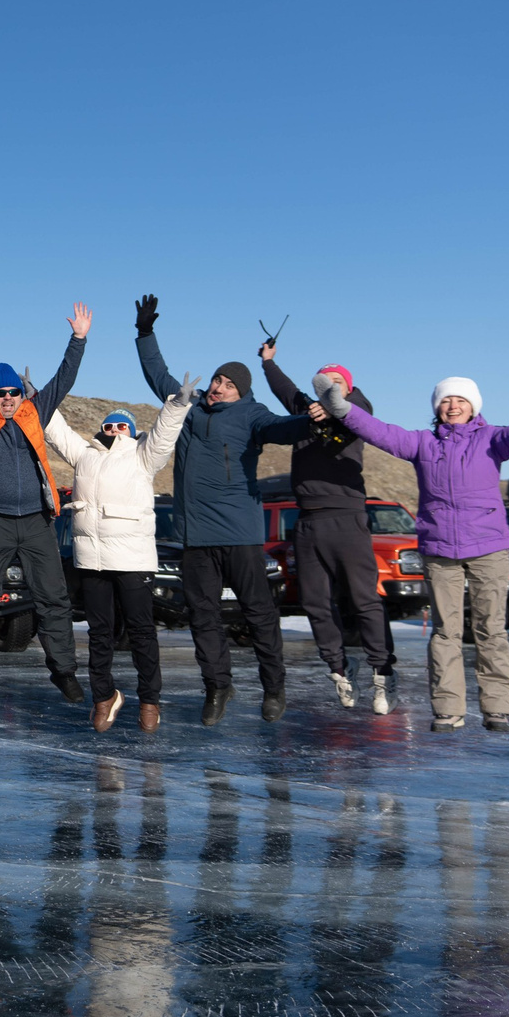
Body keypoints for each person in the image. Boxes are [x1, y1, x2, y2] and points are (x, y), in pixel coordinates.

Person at [318, 374, 509, 733]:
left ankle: (497, 707)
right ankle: (447, 708)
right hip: (440, 548)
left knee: (491, 629)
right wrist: (343, 410)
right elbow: (381, 432)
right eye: (445, 400)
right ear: (436, 408)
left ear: (473, 406)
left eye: (460, 400)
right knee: (445, 632)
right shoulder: (422, 443)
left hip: (488, 547)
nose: (453, 406)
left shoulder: (493, 439)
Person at [135, 295, 314, 723]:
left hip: (240, 534)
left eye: (228, 384)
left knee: (258, 615)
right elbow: (157, 374)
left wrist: (313, 418)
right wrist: (145, 333)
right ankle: (217, 687)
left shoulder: (253, 415)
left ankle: (274, 687)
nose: (218, 387)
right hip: (196, 537)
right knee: (202, 617)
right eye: (217, 380)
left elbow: (283, 428)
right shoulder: (189, 406)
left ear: (241, 392)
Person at [0, 294, 90, 706]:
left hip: (37, 522)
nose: (7, 398)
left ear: (22, 394)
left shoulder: (34, 414)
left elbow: (63, 380)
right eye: (0, 393)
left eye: (13, 392)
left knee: (54, 601)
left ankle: (64, 673)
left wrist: (78, 340)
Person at [261, 340, 397, 714]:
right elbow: (286, 391)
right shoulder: (308, 412)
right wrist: (268, 362)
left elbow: (357, 407)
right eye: (324, 382)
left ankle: (383, 672)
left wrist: (336, 402)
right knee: (315, 602)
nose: (330, 387)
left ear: (348, 388)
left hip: (347, 517)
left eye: (337, 382)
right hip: (307, 521)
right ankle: (339, 668)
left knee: (363, 599)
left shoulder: (357, 410)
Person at [45, 386, 190, 733]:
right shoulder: (85, 454)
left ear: (132, 431)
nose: (113, 430)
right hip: (92, 560)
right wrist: (41, 400)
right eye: (108, 426)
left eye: (121, 426)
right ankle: (104, 697)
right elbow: (58, 432)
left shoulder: (142, 455)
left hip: (133, 560)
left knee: (141, 631)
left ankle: (150, 700)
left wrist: (176, 406)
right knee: (99, 632)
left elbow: (163, 437)